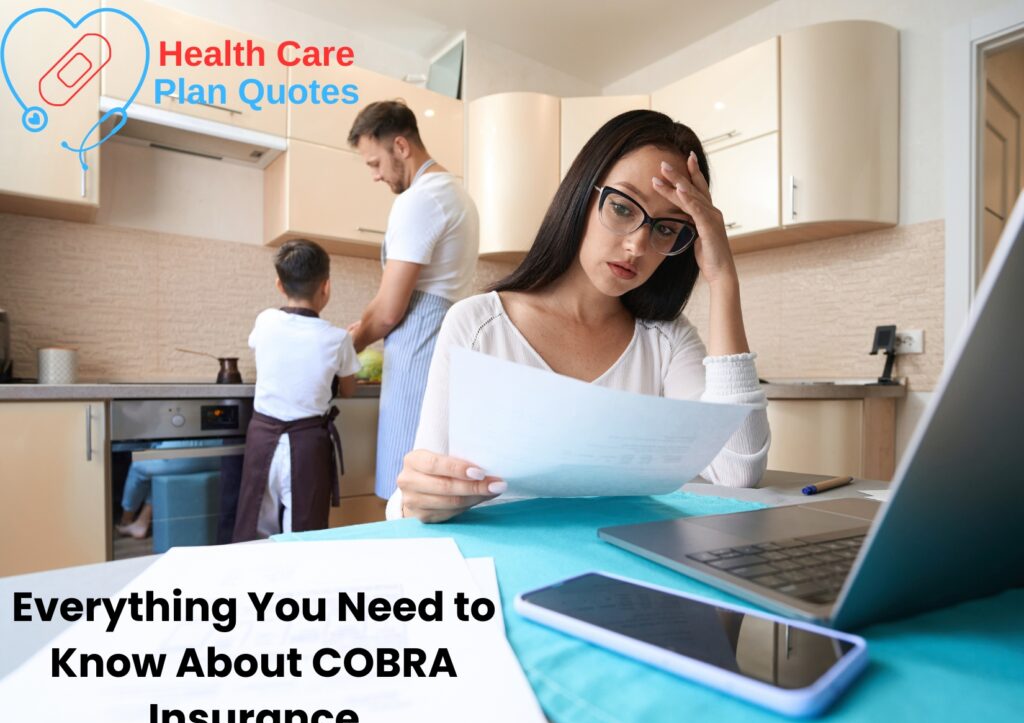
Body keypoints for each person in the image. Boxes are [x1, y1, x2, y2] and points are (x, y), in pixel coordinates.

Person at [389, 110, 771, 523]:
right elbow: (414, 498)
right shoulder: (478, 324)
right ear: (582, 196)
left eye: (666, 229)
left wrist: (723, 278)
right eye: (623, 209)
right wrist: (415, 501)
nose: (637, 246)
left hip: (624, 569)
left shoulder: (667, 341)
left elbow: (737, 471)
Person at [346, 100, 480, 501]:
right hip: (444, 345)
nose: (375, 175)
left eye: (375, 163)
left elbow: (389, 310)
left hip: (419, 350)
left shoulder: (419, 199)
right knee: (434, 487)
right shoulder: (456, 193)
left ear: (401, 147)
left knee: (406, 487)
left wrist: (349, 344)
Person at [232, 239, 360, 540]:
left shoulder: (265, 321)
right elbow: (350, 389)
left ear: (279, 284)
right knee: (304, 534)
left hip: (262, 439)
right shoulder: (337, 338)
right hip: (306, 446)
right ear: (326, 287)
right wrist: (350, 344)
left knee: (254, 527)